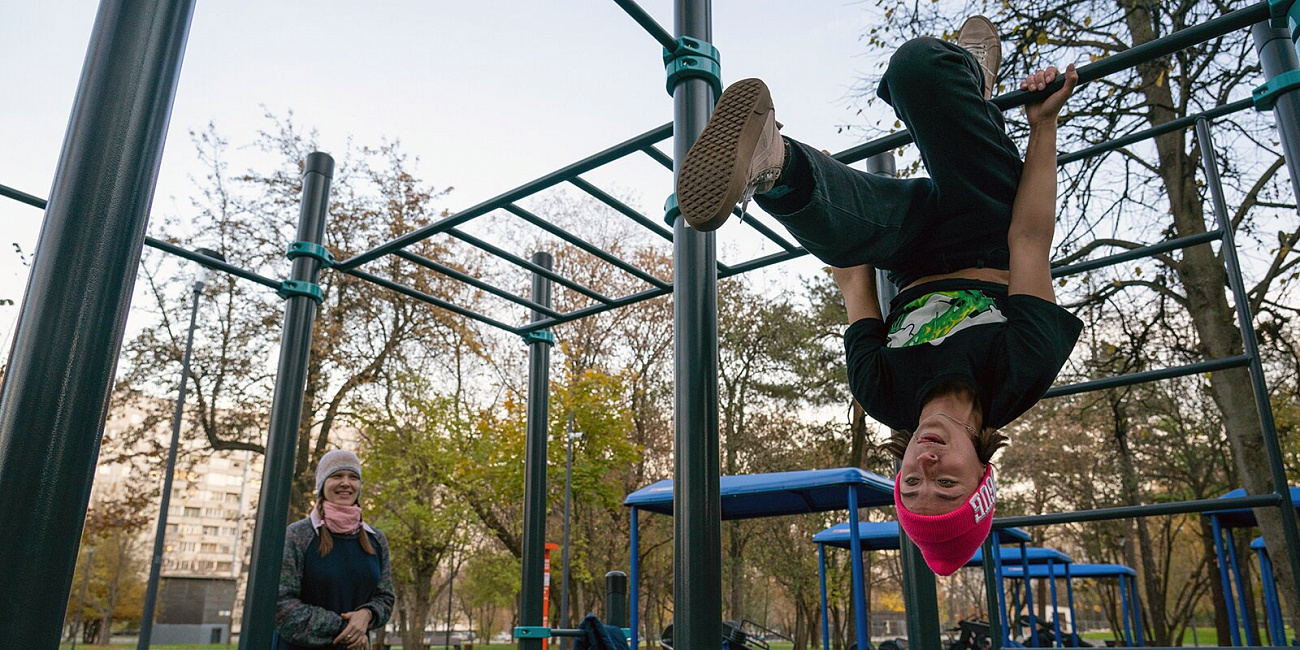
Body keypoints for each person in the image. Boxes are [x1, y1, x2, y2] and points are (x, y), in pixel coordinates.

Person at [676, 17, 1083, 575]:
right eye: (946, 482)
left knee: (845, 229)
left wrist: (832, 199)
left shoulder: (882, 392)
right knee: (916, 65)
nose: (927, 460)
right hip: (990, 225)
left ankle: (773, 162)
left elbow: (853, 277)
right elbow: (1030, 239)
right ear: (982, 473)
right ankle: (972, 72)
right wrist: (1044, 127)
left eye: (912, 480)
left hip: (909, 247)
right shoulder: (1019, 373)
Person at [276, 449, 394, 649]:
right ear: (322, 484)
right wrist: (347, 629)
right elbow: (282, 605)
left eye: (353, 477)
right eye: (337, 476)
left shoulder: (376, 540)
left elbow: (385, 597)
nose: (346, 483)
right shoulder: (298, 535)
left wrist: (367, 614)